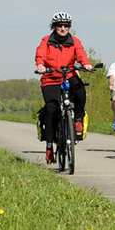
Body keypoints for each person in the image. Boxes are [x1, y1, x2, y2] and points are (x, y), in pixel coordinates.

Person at [33, 11, 92, 163]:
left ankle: (77, 118)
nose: (63, 28)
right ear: (54, 26)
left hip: (69, 75)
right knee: (51, 110)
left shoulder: (74, 41)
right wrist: (40, 65)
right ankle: (49, 147)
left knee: (80, 91)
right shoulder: (46, 40)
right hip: (50, 78)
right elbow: (40, 54)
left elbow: (81, 54)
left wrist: (85, 64)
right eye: (60, 25)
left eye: (66, 25)